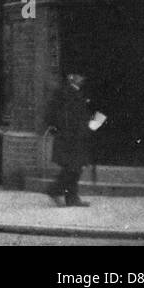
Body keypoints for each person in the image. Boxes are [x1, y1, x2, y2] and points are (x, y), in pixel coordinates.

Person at [46, 72, 93, 208]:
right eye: (78, 76)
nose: (81, 79)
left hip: (77, 137)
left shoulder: (77, 92)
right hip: (68, 138)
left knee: (75, 168)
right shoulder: (63, 93)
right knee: (72, 168)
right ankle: (54, 190)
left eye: (82, 76)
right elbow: (51, 113)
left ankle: (72, 198)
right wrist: (57, 129)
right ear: (71, 77)